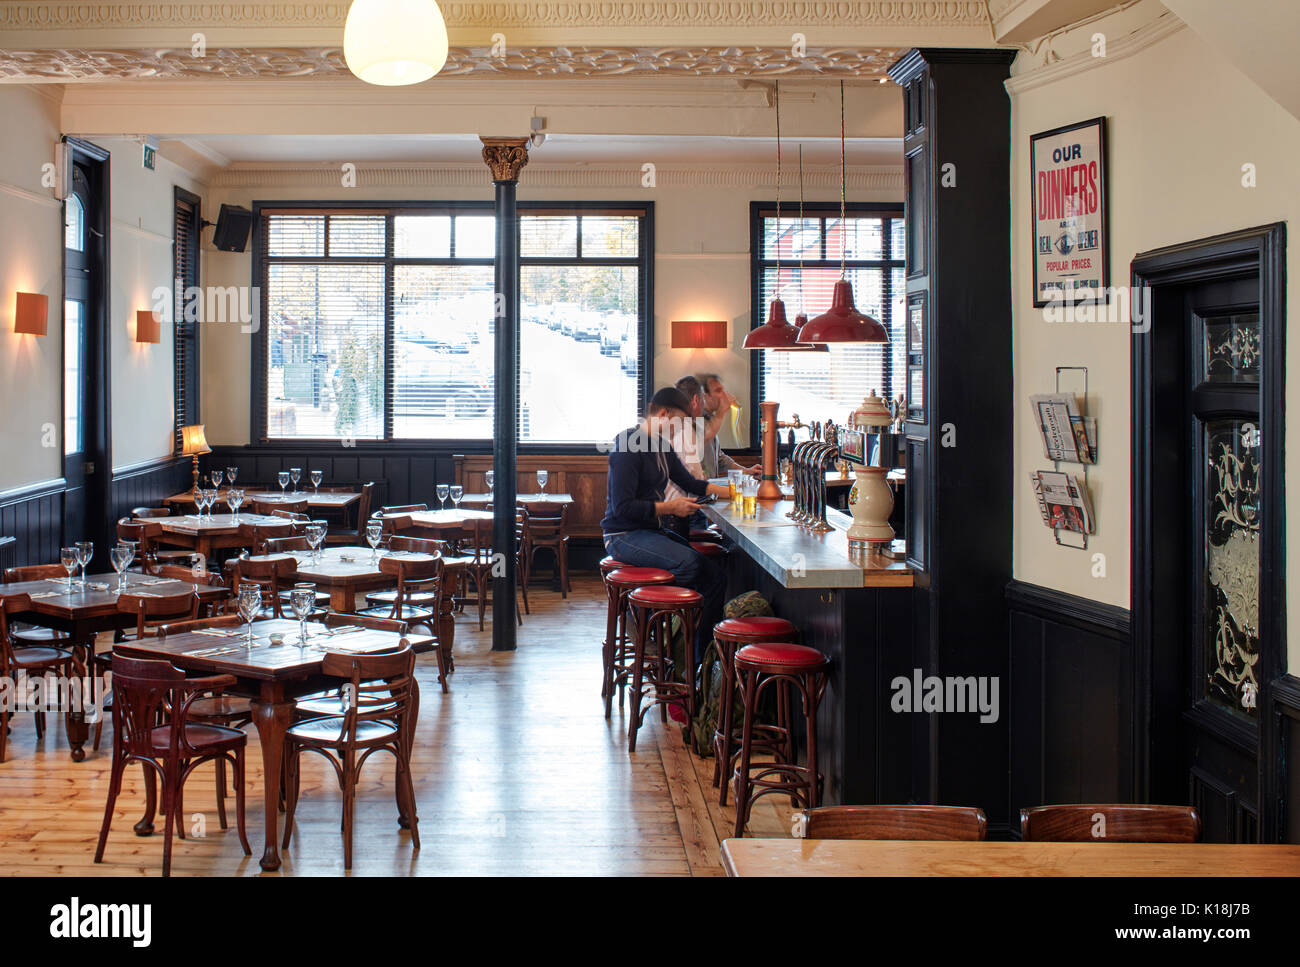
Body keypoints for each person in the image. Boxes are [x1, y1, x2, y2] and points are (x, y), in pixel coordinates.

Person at [601, 387, 731, 661]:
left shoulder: (661, 446)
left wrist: (737, 491)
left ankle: (699, 660)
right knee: (692, 565)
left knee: (716, 574)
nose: (683, 429)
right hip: (622, 534)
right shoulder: (627, 445)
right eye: (681, 422)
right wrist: (670, 507)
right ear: (663, 414)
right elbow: (622, 508)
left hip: (649, 532)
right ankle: (642, 617)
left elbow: (691, 483)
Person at [694, 372, 760, 479]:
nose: (723, 395)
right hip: (696, 492)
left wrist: (746, 471)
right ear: (705, 396)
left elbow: (720, 459)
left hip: (710, 490)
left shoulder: (711, 419)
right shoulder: (695, 420)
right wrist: (721, 411)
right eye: (718, 391)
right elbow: (703, 437)